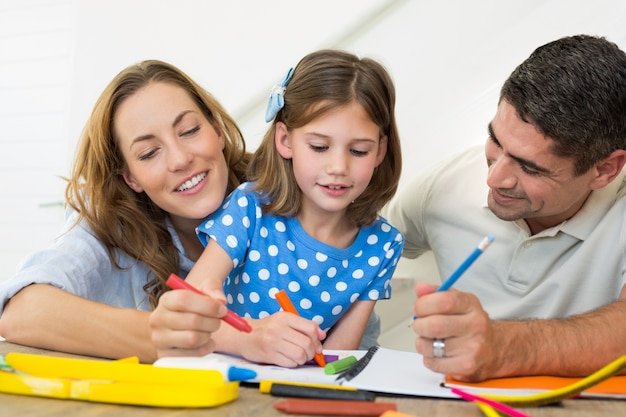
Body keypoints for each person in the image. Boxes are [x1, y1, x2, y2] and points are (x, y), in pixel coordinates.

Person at [383, 34, 626, 382]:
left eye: (530, 167)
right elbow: (349, 247)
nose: (494, 179)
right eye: (496, 140)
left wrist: (505, 347)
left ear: (604, 170)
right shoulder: (443, 186)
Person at [151, 49, 404, 367]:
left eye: (358, 150)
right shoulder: (250, 209)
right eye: (319, 147)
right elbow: (186, 314)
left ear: (380, 151)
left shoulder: (383, 245)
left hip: (302, 389)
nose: (338, 166)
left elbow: (338, 360)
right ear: (285, 140)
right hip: (225, 376)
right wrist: (235, 327)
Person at [0, 60, 250, 362]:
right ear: (130, 177)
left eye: (189, 130)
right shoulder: (109, 225)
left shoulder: (281, 193)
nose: (180, 159)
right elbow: (23, 312)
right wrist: (162, 336)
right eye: (148, 153)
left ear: (217, 130)